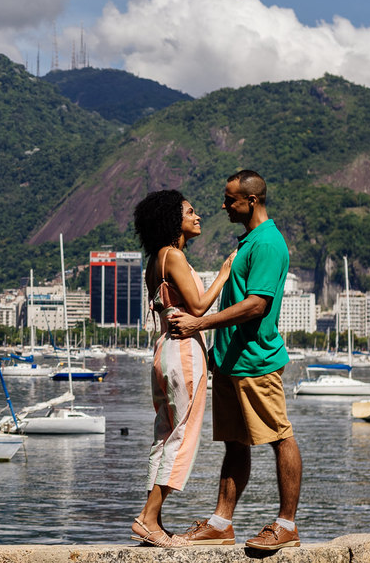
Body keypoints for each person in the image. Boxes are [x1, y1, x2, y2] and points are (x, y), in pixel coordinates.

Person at [170, 170, 303, 551]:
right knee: (234, 443)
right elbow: (238, 299)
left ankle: (286, 525)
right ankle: (220, 522)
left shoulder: (267, 244)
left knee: (280, 437)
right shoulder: (248, 243)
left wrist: (201, 322)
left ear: (253, 201)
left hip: (256, 361)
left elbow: (256, 305)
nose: (224, 205)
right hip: (230, 363)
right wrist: (216, 351)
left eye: (231, 200)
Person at [129, 189, 236, 548]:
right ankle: (147, 518)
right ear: (173, 220)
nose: (198, 216)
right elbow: (199, 306)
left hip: (163, 351)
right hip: (185, 352)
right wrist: (224, 273)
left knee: (164, 434)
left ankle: (153, 522)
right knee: (182, 436)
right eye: (190, 212)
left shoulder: (154, 260)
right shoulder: (173, 256)